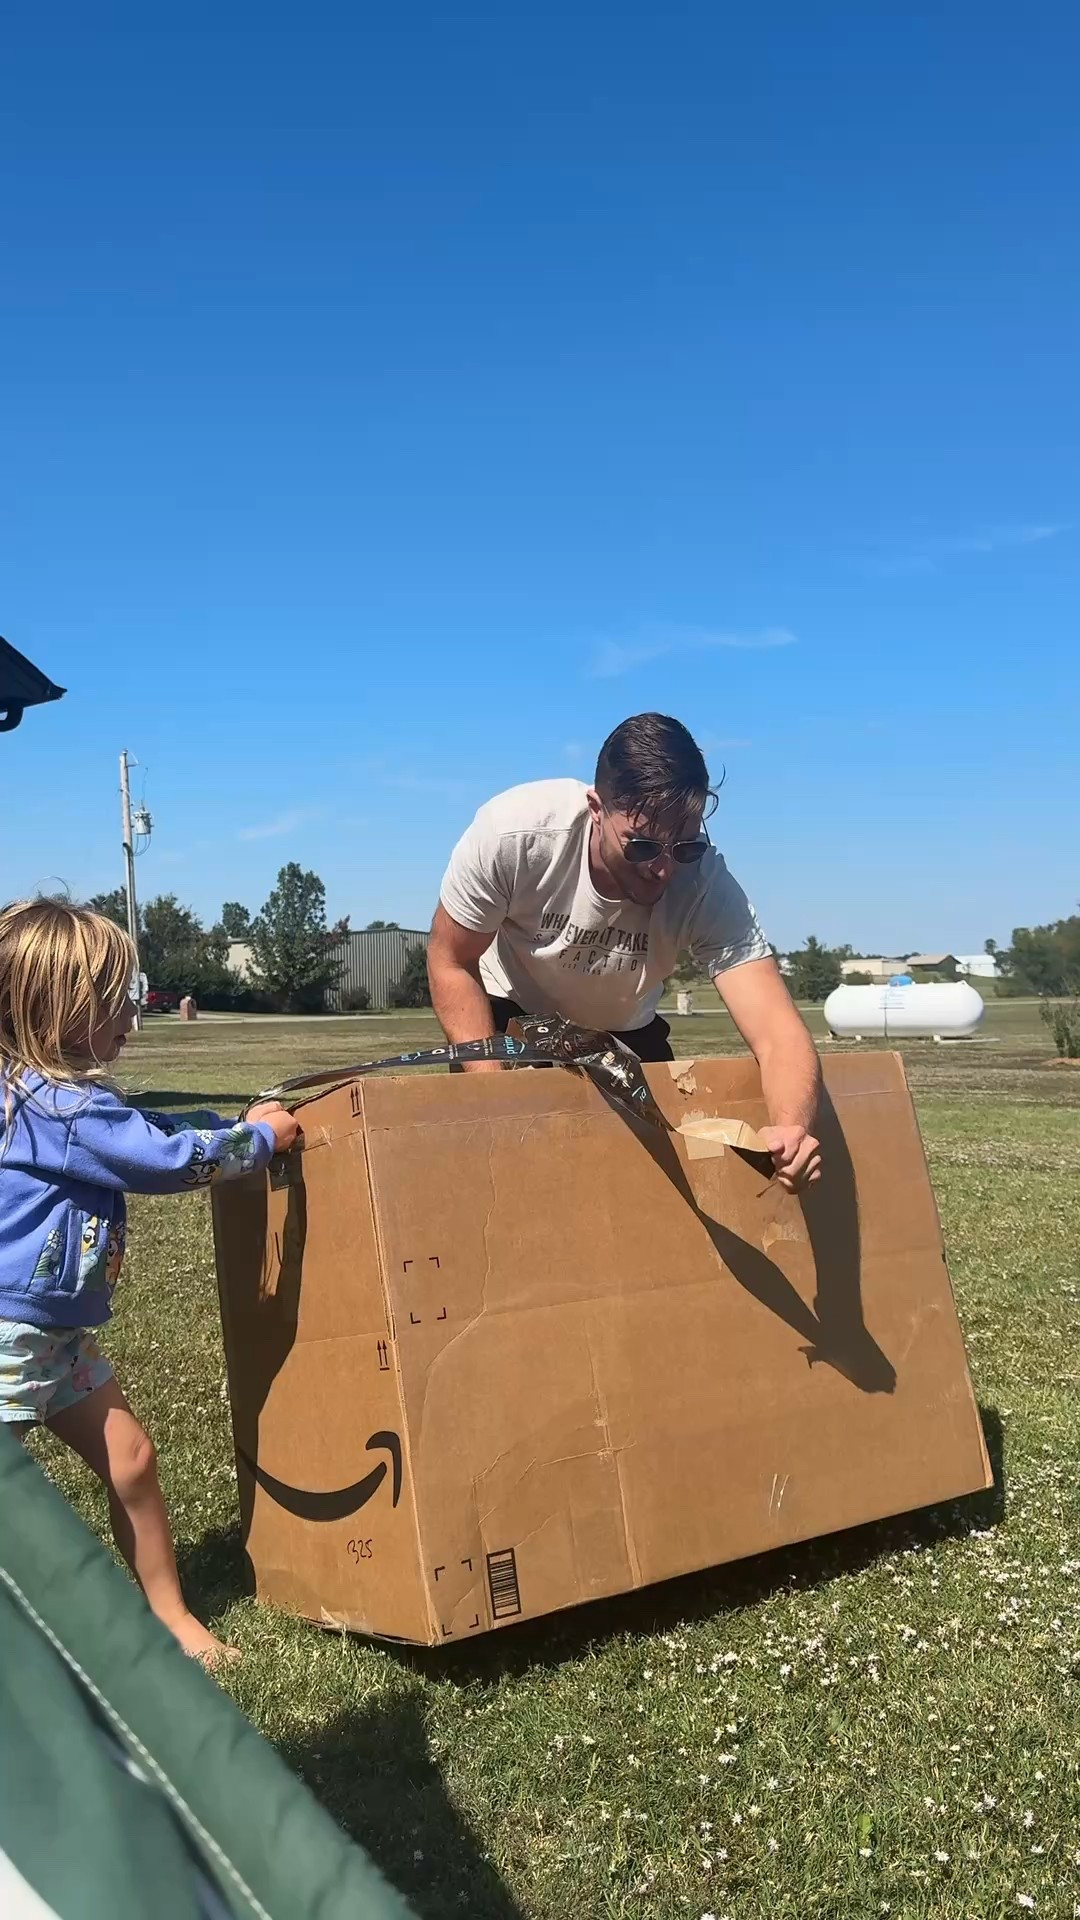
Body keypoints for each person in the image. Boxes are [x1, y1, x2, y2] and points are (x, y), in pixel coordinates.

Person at [0, 898, 300, 1664]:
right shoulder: (58, 1109)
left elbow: (147, 1130)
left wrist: (225, 1116)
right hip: (8, 1341)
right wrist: (259, 1139)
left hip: (55, 1341)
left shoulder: (54, 1099)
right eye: (115, 1000)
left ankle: (169, 1621)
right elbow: (163, 1161)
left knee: (130, 1460)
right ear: (62, 1012)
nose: (132, 1015)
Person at [429, 712, 822, 1191]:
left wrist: (790, 1127)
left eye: (684, 848)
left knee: (642, 1196)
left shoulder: (705, 887)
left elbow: (778, 1032)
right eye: (642, 847)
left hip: (626, 1033)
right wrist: (495, 1097)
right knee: (510, 1189)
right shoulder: (516, 836)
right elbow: (451, 960)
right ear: (596, 808)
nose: (662, 869)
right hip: (509, 1017)